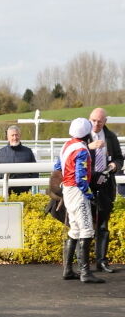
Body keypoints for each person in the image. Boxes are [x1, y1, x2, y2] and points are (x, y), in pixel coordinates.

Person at [56, 118, 104, 284]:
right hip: (77, 191)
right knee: (87, 230)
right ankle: (85, 272)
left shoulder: (66, 145)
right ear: (86, 133)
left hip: (67, 190)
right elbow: (81, 178)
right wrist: (90, 196)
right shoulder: (82, 150)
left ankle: (68, 269)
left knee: (75, 229)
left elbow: (57, 167)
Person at [86, 108, 123, 273]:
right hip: (86, 184)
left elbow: (119, 158)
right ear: (89, 119)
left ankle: (101, 261)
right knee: (85, 224)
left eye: (99, 121)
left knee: (102, 225)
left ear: (105, 121)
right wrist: (89, 147)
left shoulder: (111, 137)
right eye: (93, 120)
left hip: (106, 184)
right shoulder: (82, 135)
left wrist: (115, 165)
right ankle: (84, 263)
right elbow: (70, 154)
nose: (96, 124)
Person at [0, 125, 37, 195]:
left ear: (20, 136)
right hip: (6, 191)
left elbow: (35, 171)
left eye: (16, 135)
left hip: (24, 191)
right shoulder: (0, 152)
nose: (15, 137)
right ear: (8, 137)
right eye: (12, 135)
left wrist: (29, 185)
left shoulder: (28, 151)